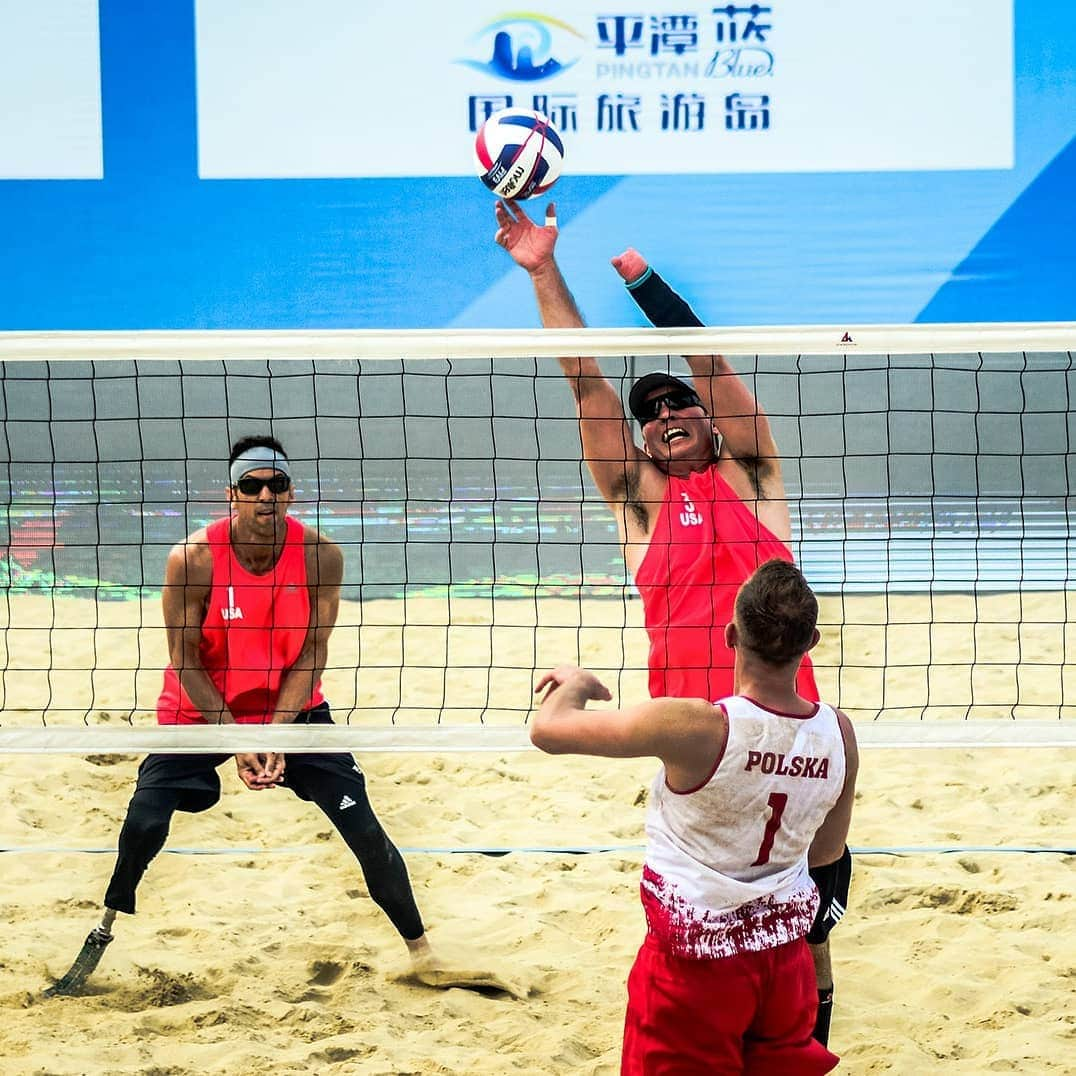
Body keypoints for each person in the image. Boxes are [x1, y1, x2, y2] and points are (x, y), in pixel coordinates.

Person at [493, 199, 850, 1046]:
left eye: (675, 404)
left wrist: (644, 285)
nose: (661, 416)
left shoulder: (753, 473)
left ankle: (799, 1035)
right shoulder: (642, 501)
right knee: (705, 905)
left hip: (788, 721)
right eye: (648, 413)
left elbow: (708, 359)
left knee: (809, 920)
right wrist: (543, 269)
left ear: (706, 417)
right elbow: (585, 381)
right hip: (696, 735)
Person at [46, 434, 434, 995]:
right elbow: (183, 659)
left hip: (291, 709)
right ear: (231, 494)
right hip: (199, 709)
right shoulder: (193, 559)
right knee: (144, 825)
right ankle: (100, 934)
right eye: (251, 486)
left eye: (276, 485)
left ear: (291, 492)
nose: (265, 497)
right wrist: (236, 735)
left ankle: (423, 955)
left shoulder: (321, 555)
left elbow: (312, 654)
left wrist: (275, 732)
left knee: (363, 827)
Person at [531, 558, 859, 1074]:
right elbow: (826, 854)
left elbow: (548, 730)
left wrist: (575, 681)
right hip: (783, 963)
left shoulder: (694, 726)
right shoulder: (838, 734)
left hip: (694, 965)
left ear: (731, 635)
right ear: (811, 641)